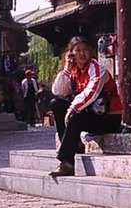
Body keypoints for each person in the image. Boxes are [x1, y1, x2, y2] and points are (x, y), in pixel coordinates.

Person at [49, 35, 122, 179]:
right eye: (77, 50)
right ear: (71, 54)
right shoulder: (74, 72)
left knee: (75, 117)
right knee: (56, 104)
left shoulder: (97, 69)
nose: (82, 54)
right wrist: (66, 69)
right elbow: (58, 91)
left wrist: (72, 108)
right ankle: (75, 144)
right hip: (89, 114)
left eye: (85, 50)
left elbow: (91, 92)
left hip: (107, 118)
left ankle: (67, 163)